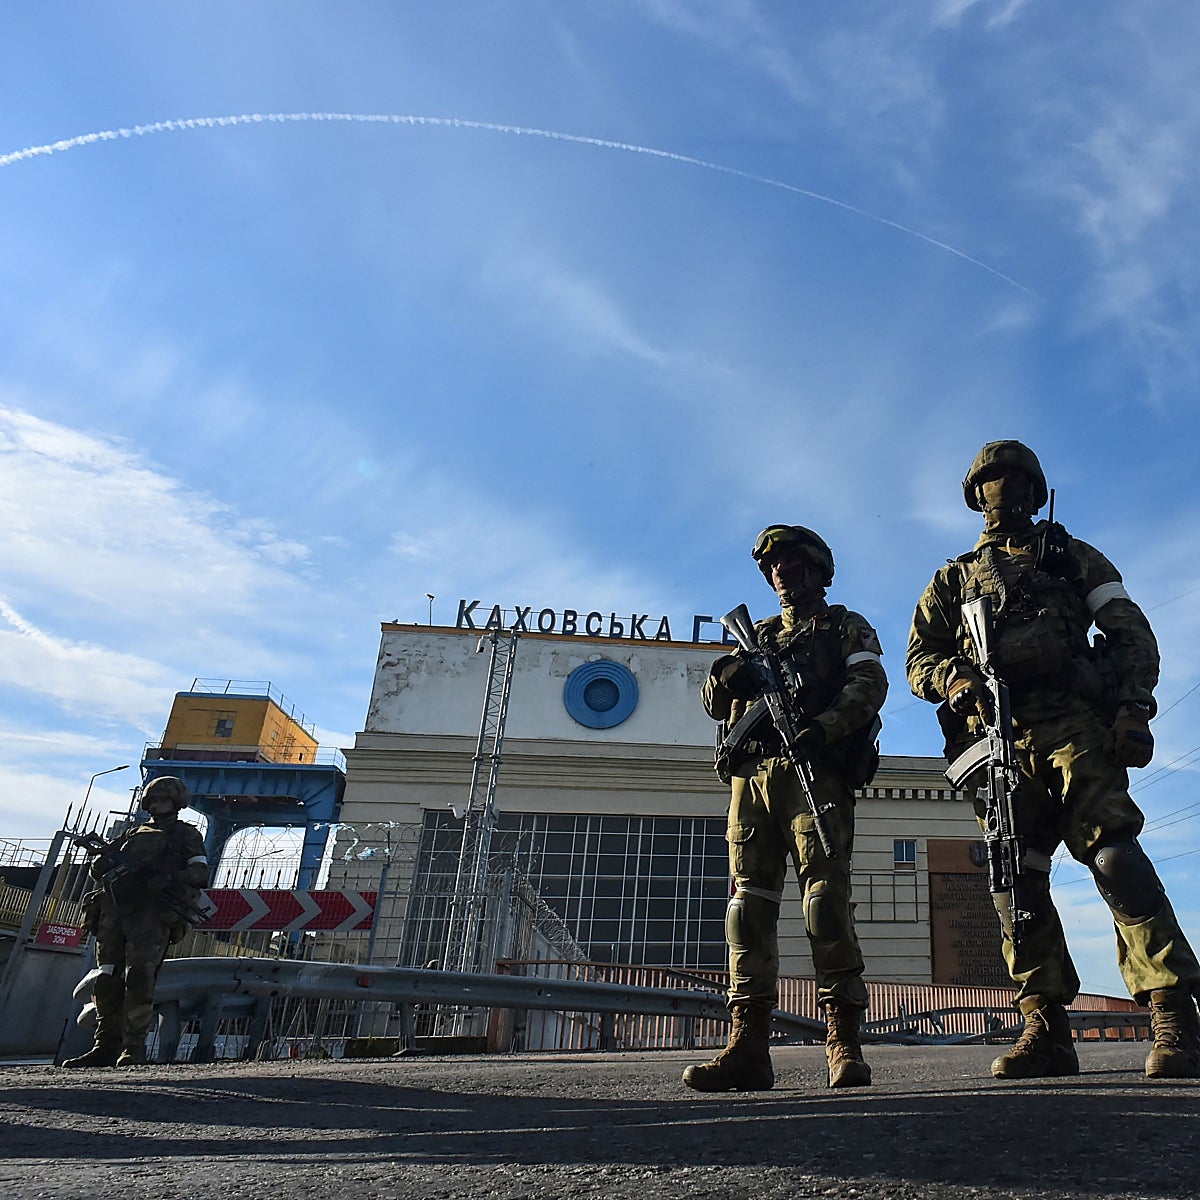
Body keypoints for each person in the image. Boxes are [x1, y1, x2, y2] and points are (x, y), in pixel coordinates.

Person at [907, 439, 1200, 1079]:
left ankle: (1172, 1009)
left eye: (1016, 478)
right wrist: (956, 682)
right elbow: (918, 660)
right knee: (1017, 875)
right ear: (974, 494)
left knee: (1113, 854)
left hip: (1074, 722)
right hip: (999, 738)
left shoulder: (1071, 558)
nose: (1003, 489)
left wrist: (1133, 708)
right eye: (991, 479)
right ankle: (1044, 1022)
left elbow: (1127, 631)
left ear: (1037, 491)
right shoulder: (951, 579)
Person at [683, 524, 887, 1091]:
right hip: (753, 779)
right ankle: (747, 1043)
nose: (782, 576)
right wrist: (727, 674)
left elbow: (869, 683)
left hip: (814, 770)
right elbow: (714, 701)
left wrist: (822, 730)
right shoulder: (759, 636)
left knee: (825, 902)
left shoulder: (845, 626)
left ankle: (843, 1040)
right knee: (747, 909)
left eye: (794, 566)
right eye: (774, 568)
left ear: (819, 571)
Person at [62, 776, 209, 1068]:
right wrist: (104, 860)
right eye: (153, 800)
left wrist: (167, 879)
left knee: (139, 978)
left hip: (151, 915)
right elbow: (98, 872)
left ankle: (133, 1047)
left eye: (164, 800)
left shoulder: (185, 834)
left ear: (176, 803)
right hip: (115, 914)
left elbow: (200, 873)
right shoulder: (131, 834)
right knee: (106, 978)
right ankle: (104, 1045)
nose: (158, 805)